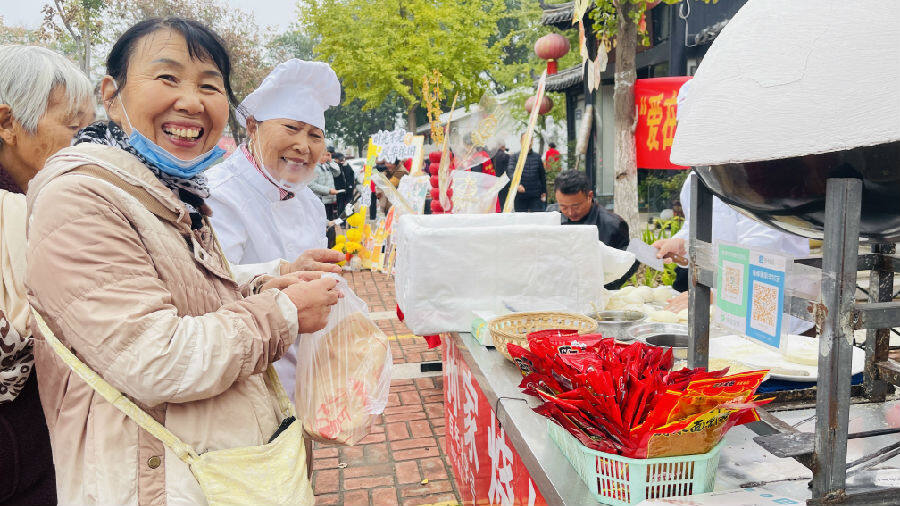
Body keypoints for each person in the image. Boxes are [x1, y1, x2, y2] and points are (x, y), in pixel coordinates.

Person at [25, 18, 339, 504]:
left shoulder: (168, 191)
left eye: (209, 86)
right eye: (168, 78)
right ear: (112, 94)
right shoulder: (80, 198)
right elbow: (156, 357)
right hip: (156, 478)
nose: (191, 101)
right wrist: (285, 311)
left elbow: (193, 287)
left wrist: (273, 279)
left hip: (217, 458)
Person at [205, 58, 344, 400]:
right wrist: (285, 276)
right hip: (244, 382)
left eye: (315, 135)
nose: (303, 145)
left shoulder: (308, 200)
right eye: (292, 129)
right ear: (252, 127)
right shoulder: (219, 194)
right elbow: (211, 286)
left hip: (306, 377)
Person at [0, 44, 94, 506]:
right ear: (6, 123)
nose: (86, 143)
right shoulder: (15, 214)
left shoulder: (46, 204)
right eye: (74, 127)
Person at [653, 173, 811, 334]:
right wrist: (682, 244)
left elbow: (759, 255)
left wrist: (712, 295)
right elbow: (693, 224)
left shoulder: (763, 175)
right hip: (725, 304)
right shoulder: (697, 176)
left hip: (778, 310)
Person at [547, 170, 637, 288]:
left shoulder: (613, 225)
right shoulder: (550, 215)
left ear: (589, 196)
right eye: (563, 207)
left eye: (576, 206)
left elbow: (627, 264)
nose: (570, 212)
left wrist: (603, 289)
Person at [505, 133, 546, 212]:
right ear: (521, 141)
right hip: (520, 195)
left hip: (535, 195)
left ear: (532, 141)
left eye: (530, 140)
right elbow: (510, 171)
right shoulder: (515, 157)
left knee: (537, 219)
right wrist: (517, 184)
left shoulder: (537, 157)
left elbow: (542, 175)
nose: (528, 142)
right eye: (525, 140)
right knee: (520, 220)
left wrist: (544, 191)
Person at [310, 148, 340, 219]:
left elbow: (337, 173)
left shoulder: (326, 165)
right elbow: (311, 185)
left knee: (330, 222)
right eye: (322, 155)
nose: (325, 157)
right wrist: (328, 190)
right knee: (323, 223)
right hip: (320, 200)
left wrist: (331, 161)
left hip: (329, 200)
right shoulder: (314, 167)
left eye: (326, 155)